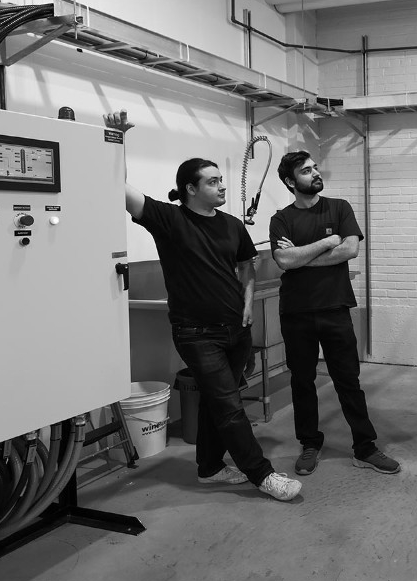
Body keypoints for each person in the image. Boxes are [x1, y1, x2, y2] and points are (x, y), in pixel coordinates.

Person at [104, 111, 302, 502]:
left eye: (221, 180)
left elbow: (246, 266)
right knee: (229, 405)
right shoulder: (168, 219)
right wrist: (115, 139)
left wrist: (247, 304)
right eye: (212, 182)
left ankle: (210, 468)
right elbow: (118, 188)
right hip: (196, 332)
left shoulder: (231, 225)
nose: (221, 186)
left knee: (217, 403)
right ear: (190, 189)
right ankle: (261, 474)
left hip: (235, 329)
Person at [270, 151, 400, 476]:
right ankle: (310, 443)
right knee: (302, 381)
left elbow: (350, 249)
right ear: (290, 181)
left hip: (335, 309)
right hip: (296, 314)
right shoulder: (280, 219)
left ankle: (365, 447)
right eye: (305, 170)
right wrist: (327, 242)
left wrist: (302, 256)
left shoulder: (339, 207)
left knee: (348, 381)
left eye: (314, 167)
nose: (315, 173)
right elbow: (284, 262)